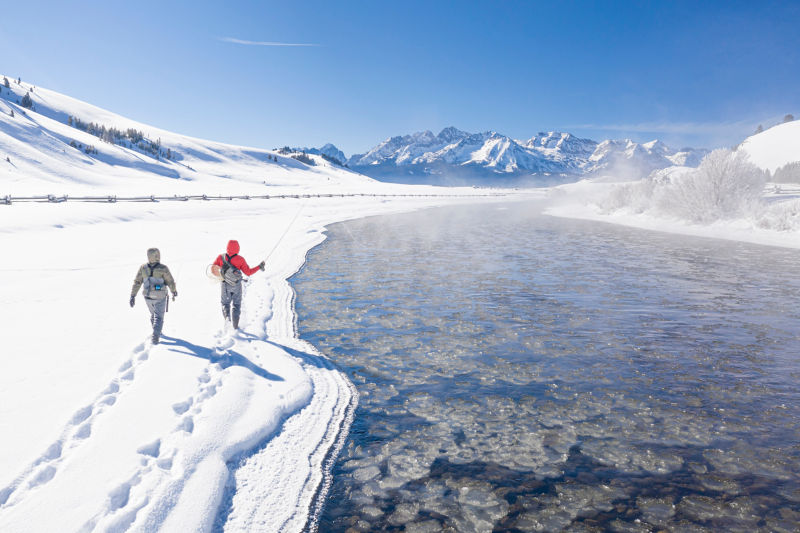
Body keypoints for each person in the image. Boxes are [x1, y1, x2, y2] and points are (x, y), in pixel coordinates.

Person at [213, 240, 264, 329]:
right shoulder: (240, 259)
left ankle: (227, 320)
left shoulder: (220, 257)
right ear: (238, 248)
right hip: (236, 285)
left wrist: (221, 275)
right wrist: (259, 267)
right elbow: (248, 272)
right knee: (236, 304)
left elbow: (213, 269)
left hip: (224, 285)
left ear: (227, 247)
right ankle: (235, 327)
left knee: (225, 303)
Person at [130, 248, 177, 344]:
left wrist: (133, 295)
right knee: (159, 317)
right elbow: (170, 281)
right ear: (157, 255)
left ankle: (157, 331)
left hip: (147, 297)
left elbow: (137, 282)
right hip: (160, 296)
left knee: (153, 315)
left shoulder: (143, 268)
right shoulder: (163, 268)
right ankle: (156, 336)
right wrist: (174, 291)